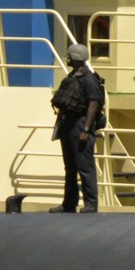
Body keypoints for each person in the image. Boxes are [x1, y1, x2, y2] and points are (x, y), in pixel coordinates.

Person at [51, 44, 105, 212]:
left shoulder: (88, 79)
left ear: (74, 57)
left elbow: (93, 104)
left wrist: (86, 129)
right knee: (70, 166)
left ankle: (91, 204)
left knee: (85, 166)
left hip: (80, 123)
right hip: (68, 123)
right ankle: (69, 203)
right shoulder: (74, 76)